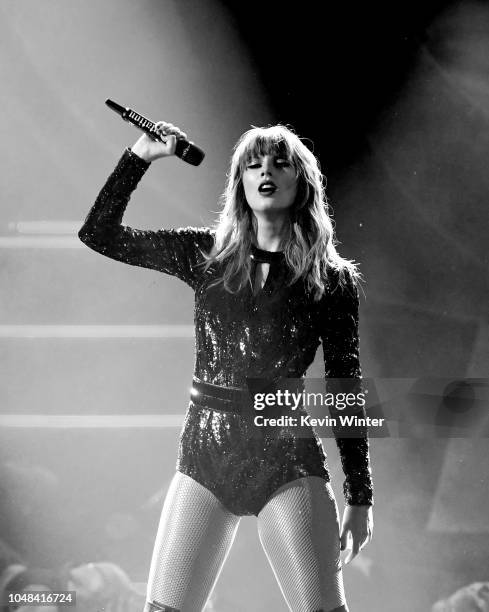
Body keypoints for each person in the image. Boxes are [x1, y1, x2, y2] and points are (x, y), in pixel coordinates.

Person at [78, 121, 374, 612]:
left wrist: (360, 496)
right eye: (253, 164)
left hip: (285, 459)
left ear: (301, 181)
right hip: (204, 456)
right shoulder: (205, 253)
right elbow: (98, 234)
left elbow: (346, 385)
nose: (265, 172)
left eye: (279, 163)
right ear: (240, 182)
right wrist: (139, 157)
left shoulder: (332, 279)